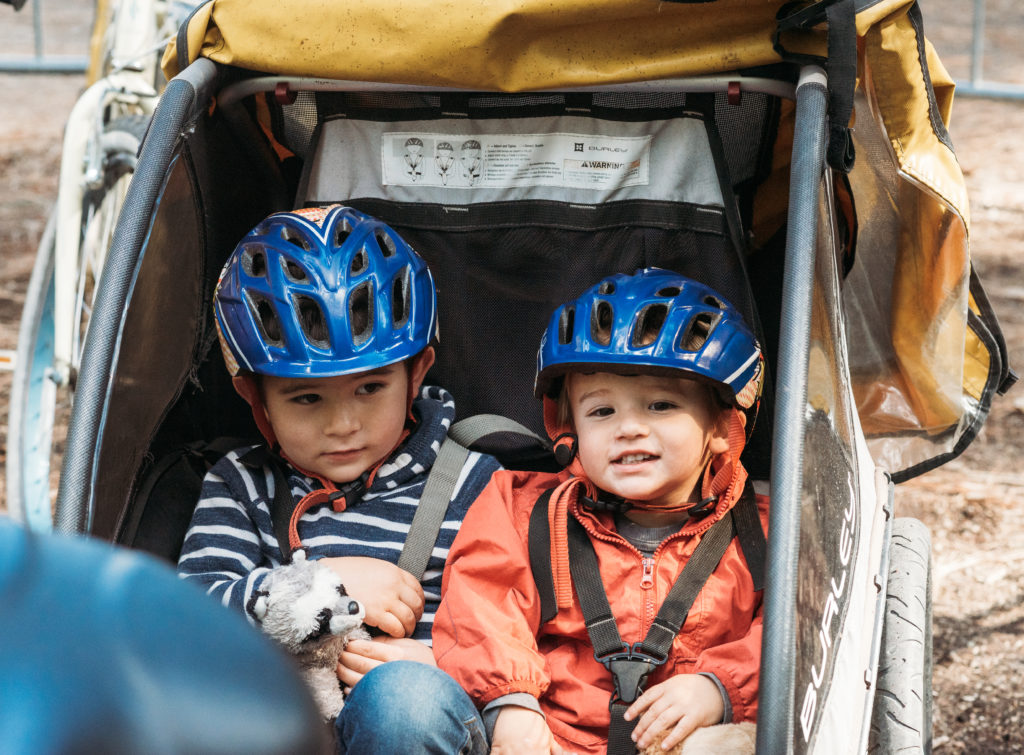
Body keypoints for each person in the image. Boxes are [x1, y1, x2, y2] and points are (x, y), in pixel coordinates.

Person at [177, 204, 498, 753]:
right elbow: (186, 623)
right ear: (256, 398)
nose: (343, 424)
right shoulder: (242, 485)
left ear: (416, 372)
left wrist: (451, 662)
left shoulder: (474, 482)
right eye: (307, 398)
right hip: (289, 725)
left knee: (403, 700)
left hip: (425, 721)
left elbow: (528, 625)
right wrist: (320, 587)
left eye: (370, 389)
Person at [433, 267, 769, 754]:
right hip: (553, 739)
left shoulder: (765, 534)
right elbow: (483, 609)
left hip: (693, 737)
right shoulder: (520, 509)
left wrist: (721, 688)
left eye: (659, 405)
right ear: (568, 428)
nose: (629, 428)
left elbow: (798, 633)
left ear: (722, 426)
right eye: (602, 412)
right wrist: (512, 707)